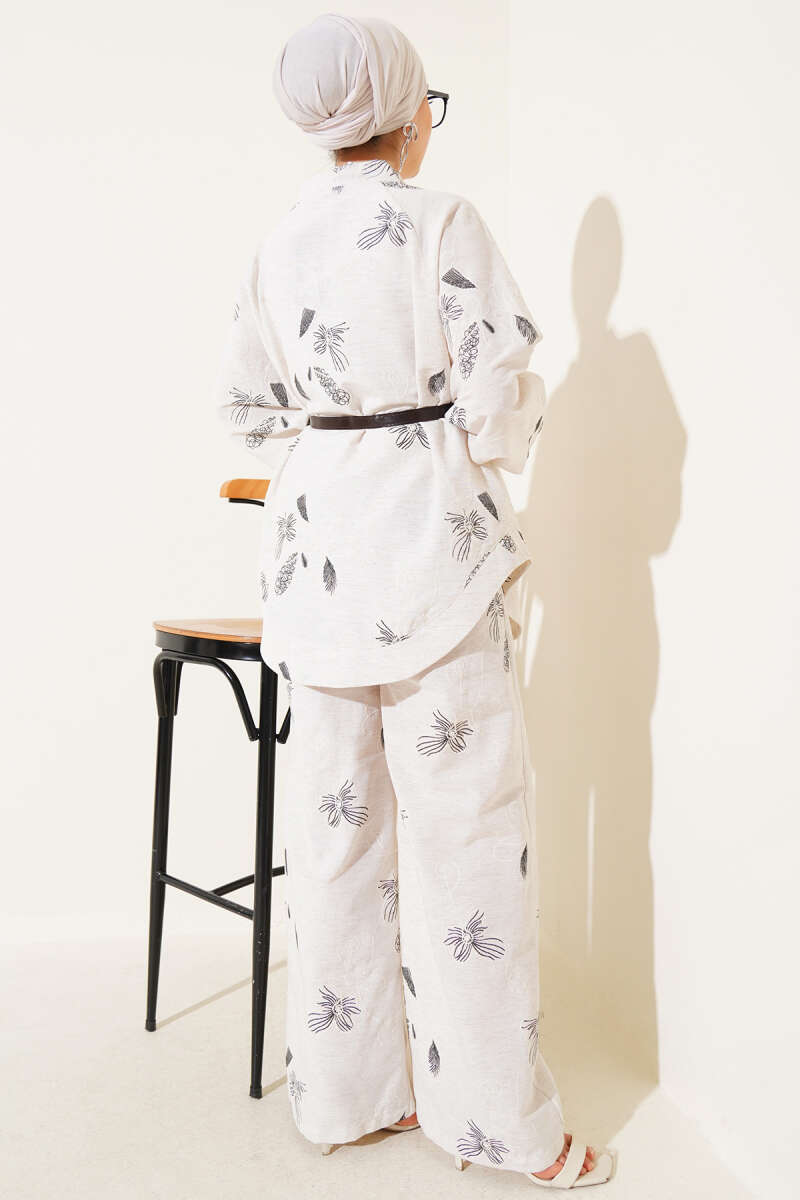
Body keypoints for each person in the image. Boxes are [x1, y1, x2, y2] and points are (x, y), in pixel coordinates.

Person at [214, 12, 616, 1189]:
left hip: (316, 576)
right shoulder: (444, 222)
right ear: (403, 117)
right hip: (435, 564)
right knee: (469, 839)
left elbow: (243, 410)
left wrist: (328, 459)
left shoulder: (275, 246)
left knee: (334, 840)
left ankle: (347, 1102)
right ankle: (501, 1127)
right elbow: (497, 399)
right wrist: (467, 450)